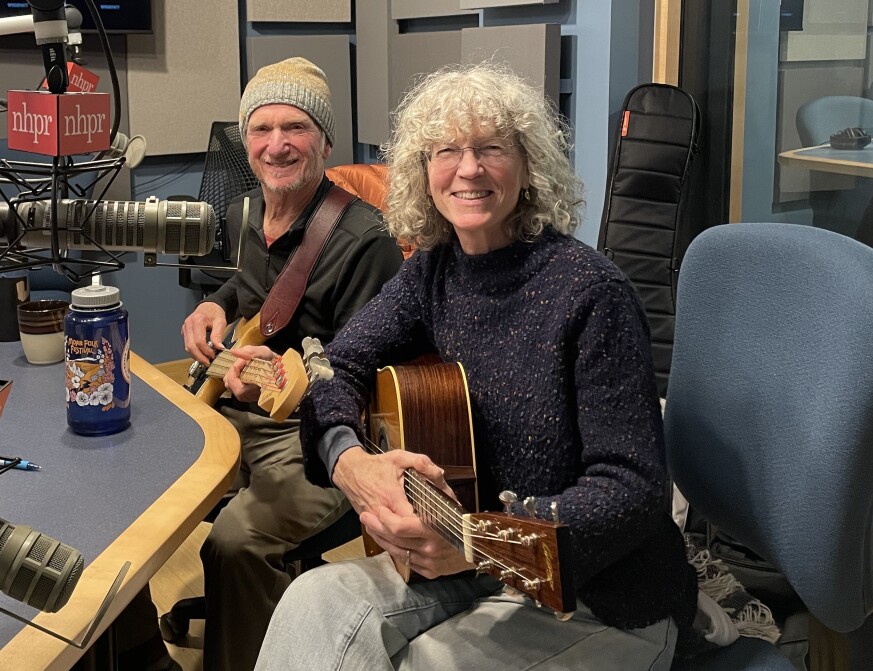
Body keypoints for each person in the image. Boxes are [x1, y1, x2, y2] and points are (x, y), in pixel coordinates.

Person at [247, 62, 698, 670]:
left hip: (600, 596)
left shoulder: (591, 293)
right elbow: (336, 364)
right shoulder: (434, 271)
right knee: (311, 601)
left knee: (426, 663)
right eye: (447, 150)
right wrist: (349, 461)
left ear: (528, 165)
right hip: (475, 566)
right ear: (421, 171)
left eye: (491, 148)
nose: (468, 169)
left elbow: (634, 491)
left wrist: (483, 547)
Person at [179, 56, 403, 671]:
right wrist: (213, 306)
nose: (276, 145)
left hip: (320, 433)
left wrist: (280, 390)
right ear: (244, 140)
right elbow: (253, 293)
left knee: (235, 541)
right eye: (262, 128)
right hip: (239, 409)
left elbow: (368, 382)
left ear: (325, 141)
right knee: (139, 485)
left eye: (296, 128)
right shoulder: (246, 213)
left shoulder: (366, 241)